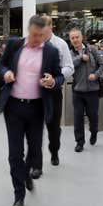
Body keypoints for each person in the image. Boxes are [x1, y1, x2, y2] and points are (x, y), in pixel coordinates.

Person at [0, 15, 64, 206]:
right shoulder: (14, 45)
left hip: (37, 108)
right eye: (34, 35)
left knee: (35, 152)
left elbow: (59, 76)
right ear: (28, 30)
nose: (37, 39)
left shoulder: (51, 51)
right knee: (15, 154)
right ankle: (19, 194)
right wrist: (5, 73)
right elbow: (1, 65)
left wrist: (52, 81)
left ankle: (25, 175)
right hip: (14, 107)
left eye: (41, 36)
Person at [29, 16, 74, 175]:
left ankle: (54, 151)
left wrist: (54, 79)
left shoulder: (60, 45)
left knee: (53, 128)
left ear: (50, 27)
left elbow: (69, 67)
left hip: (53, 92)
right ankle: (36, 165)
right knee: (34, 129)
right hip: (34, 93)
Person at [69, 28, 103, 152]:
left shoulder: (92, 50)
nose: (75, 40)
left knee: (93, 116)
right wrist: (80, 58)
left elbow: (102, 65)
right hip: (77, 91)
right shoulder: (71, 53)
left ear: (82, 37)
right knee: (78, 117)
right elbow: (69, 66)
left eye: (77, 37)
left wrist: (95, 75)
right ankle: (79, 142)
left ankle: (94, 132)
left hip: (92, 91)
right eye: (72, 38)